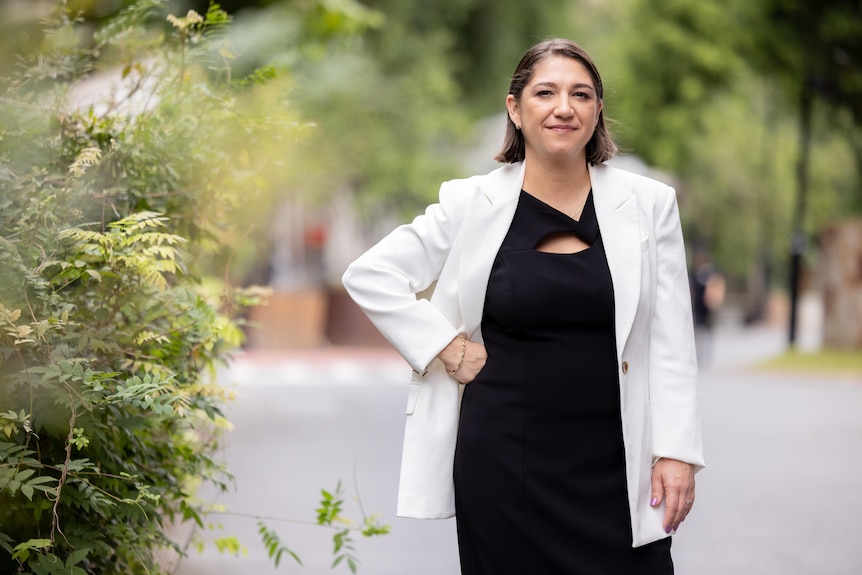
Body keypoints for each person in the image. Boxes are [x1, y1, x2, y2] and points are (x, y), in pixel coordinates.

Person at [342, 38, 704, 574]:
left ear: (598, 109)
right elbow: (371, 274)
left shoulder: (649, 205)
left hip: (617, 456)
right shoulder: (471, 202)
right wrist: (444, 347)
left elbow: (671, 337)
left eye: (581, 94)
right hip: (504, 461)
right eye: (545, 92)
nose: (564, 107)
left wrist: (676, 451)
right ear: (515, 108)